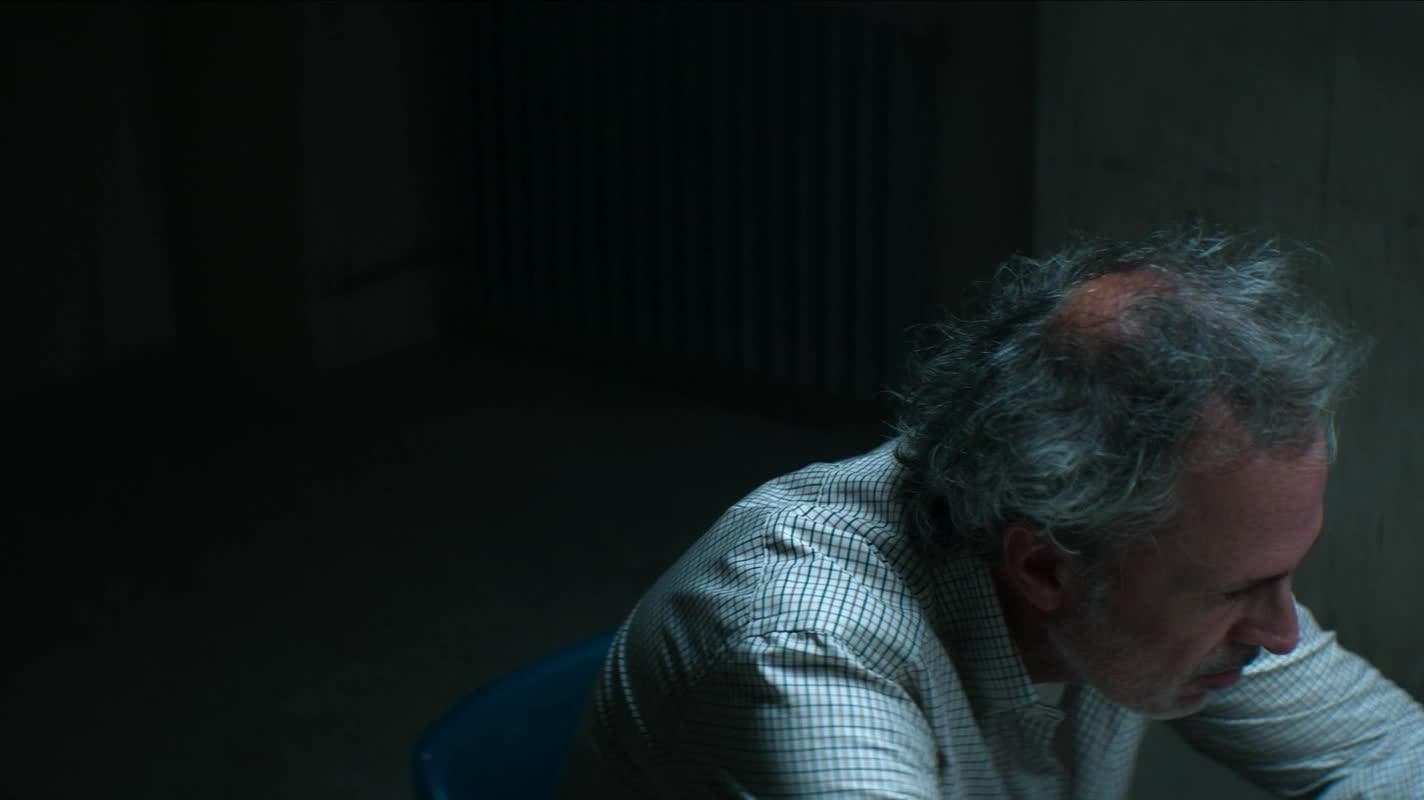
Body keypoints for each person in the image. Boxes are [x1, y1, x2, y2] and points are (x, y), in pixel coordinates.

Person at [557, 227, 1424, 797]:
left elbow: (1386, 753)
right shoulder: (809, 643)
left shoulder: (1142, 548)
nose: (1281, 633)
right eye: (1239, 591)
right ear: (1043, 567)